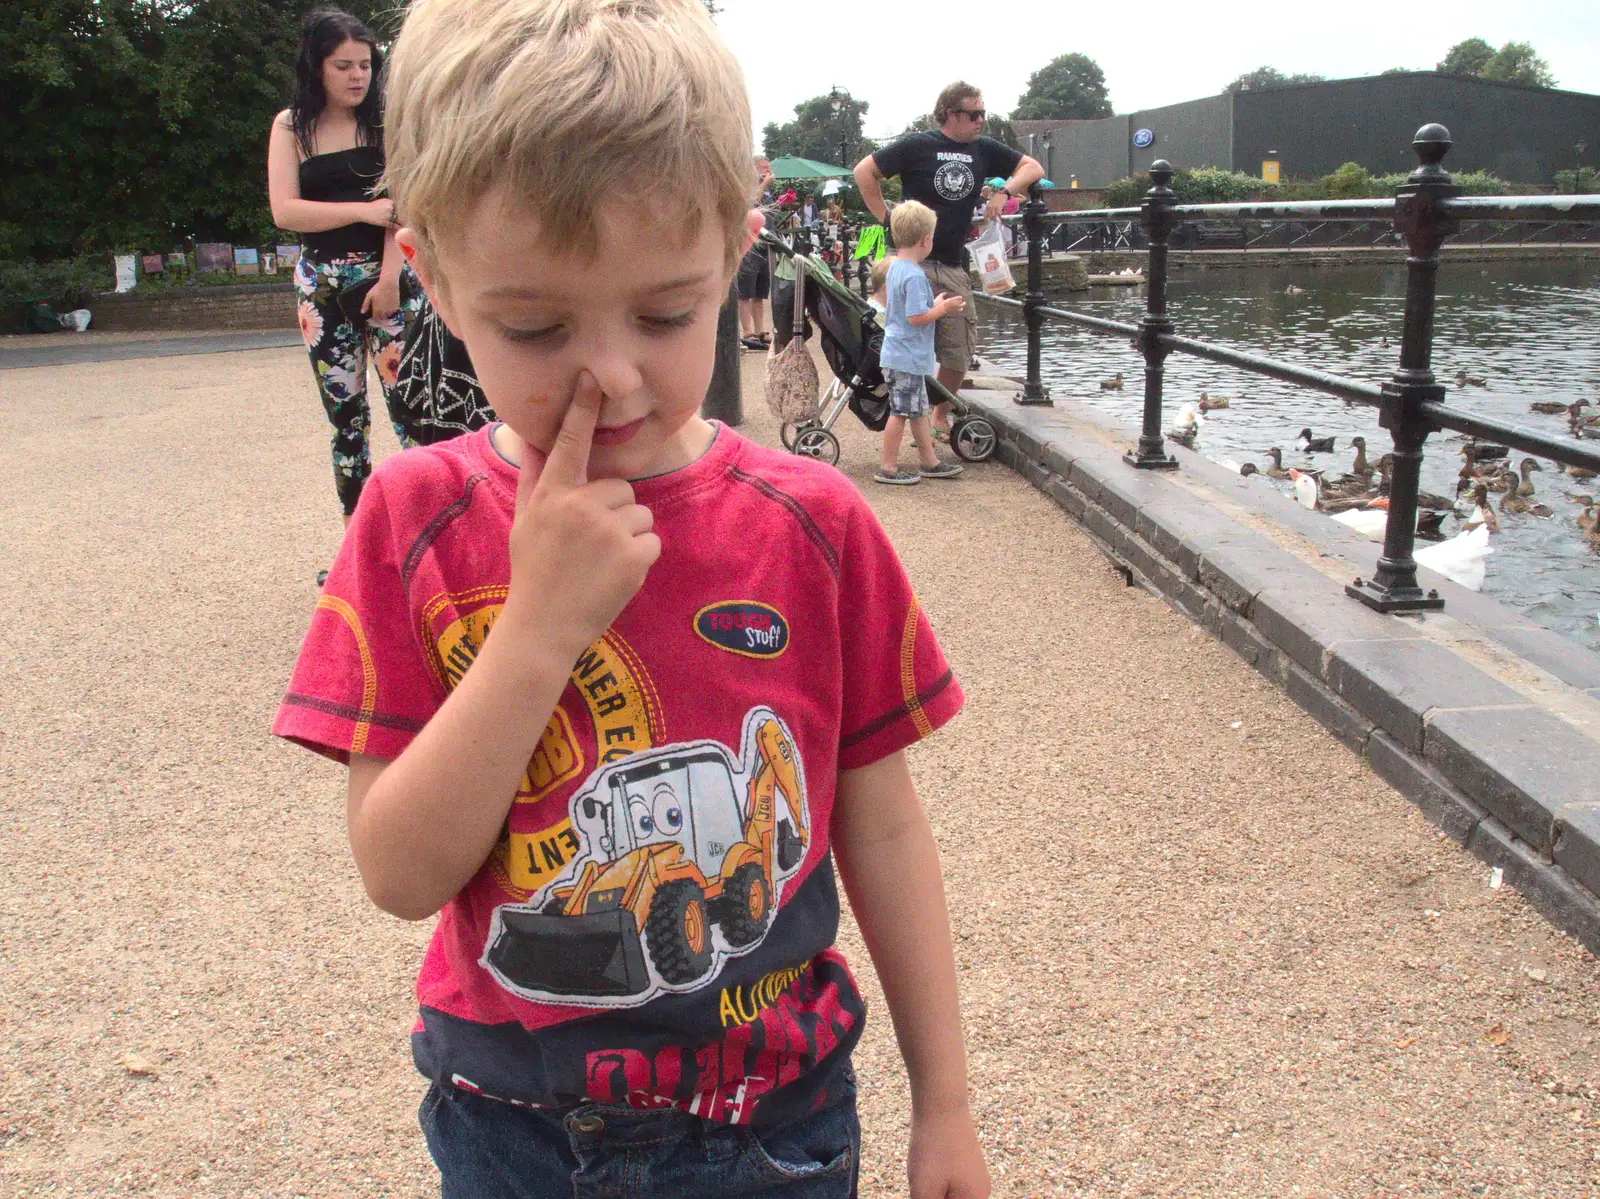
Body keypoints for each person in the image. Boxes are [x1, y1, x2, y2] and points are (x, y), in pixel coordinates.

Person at [271, 2, 989, 1198]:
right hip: (514, 1127)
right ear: (438, 280)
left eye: (664, 315)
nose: (610, 375)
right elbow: (400, 873)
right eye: (536, 326)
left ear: (732, 249)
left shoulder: (815, 525)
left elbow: (880, 821)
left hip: (781, 1117)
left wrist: (946, 1102)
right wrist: (537, 629)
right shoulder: (414, 522)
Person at [268, 7, 423, 527]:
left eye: (365, 64)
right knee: (346, 424)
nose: (358, 76)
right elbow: (285, 210)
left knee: (413, 416)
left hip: (392, 278)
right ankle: (360, 552)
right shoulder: (291, 127)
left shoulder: (388, 122)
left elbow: (404, 206)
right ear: (317, 67)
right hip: (321, 289)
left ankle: (434, 544)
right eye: (343, 66)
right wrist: (362, 208)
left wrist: (389, 279)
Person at [853, 81, 1043, 437]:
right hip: (913, 263)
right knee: (905, 344)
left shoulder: (983, 148)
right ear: (951, 114)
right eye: (973, 114)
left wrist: (1004, 192)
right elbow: (864, 172)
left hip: (954, 263)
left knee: (959, 349)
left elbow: (1033, 167)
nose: (980, 121)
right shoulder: (917, 144)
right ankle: (911, 417)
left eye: (983, 113)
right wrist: (886, 219)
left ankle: (938, 415)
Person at [874, 202, 965, 487]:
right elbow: (916, 317)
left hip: (900, 354)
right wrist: (942, 309)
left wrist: (933, 303)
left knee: (916, 411)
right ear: (925, 240)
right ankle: (887, 467)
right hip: (907, 356)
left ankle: (930, 461)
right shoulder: (914, 276)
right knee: (901, 412)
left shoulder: (895, 268)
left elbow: (902, 308)